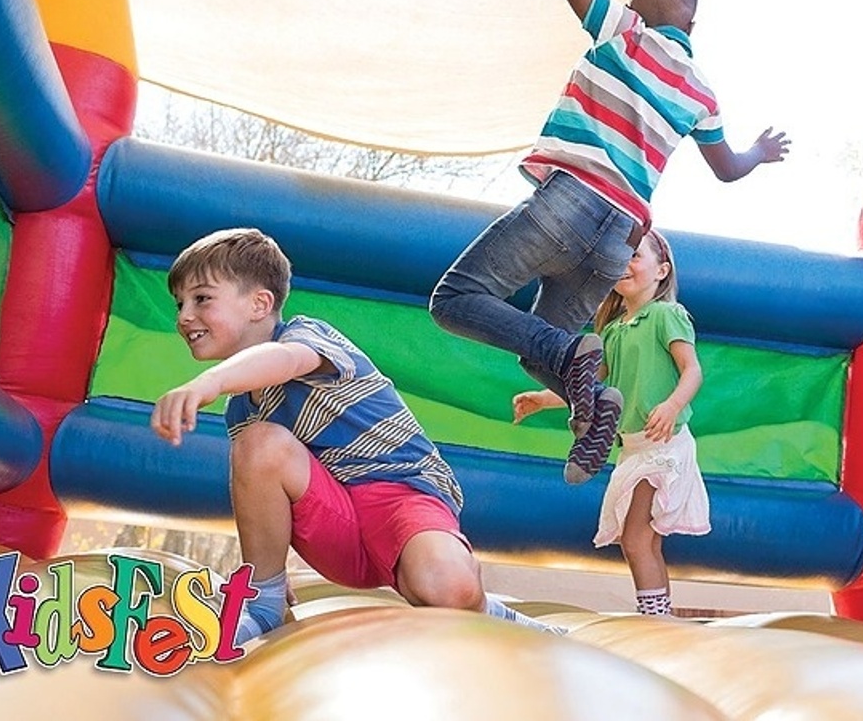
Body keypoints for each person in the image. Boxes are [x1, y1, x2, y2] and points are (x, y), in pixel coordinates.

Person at [429, 0, 789, 487]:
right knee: (544, 356)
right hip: (621, 234)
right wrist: (759, 153)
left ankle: (575, 366)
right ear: (693, 25)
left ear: (632, 7)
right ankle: (596, 405)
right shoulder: (701, 92)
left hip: (571, 201)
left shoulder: (624, 32)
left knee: (455, 299)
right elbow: (726, 169)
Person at [150, 228, 561, 645]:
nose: (184, 315)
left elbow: (284, 360)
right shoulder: (244, 410)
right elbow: (264, 495)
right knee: (259, 443)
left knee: (446, 587)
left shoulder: (307, 337)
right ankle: (265, 601)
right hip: (337, 526)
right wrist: (264, 569)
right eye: (179, 303)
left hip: (401, 495)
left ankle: (488, 609)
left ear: (260, 303)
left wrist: (210, 382)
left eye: (201, 298)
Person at [512, 230, 709, 617]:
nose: (626, 265)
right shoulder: (614, 329)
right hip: (633, 448)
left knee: (637, 538)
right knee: (641, 540)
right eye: (620, 259)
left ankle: (655, 616)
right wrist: (542, 400)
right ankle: (660, 613)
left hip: (664, 446)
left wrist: (671, 405)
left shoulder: (666, 315)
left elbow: (692, 371)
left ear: (661, 270)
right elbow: (595, 386)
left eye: (635, 256)